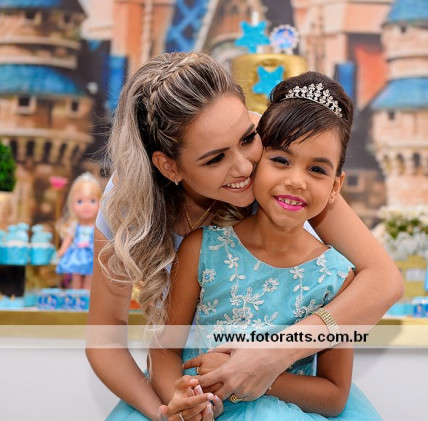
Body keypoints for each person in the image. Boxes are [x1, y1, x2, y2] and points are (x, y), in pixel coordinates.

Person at [87, 52, 402, 421]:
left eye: (248, 137)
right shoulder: (130, 206)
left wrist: (272, 355)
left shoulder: (280, 151)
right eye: (214, 159)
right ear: (169, 166)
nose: (244, 166)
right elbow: (106, 339)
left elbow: (384, 280)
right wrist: (167, 411)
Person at [150, 71, 382, 421]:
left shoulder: (337, 278)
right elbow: (164, 349)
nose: (296, 181)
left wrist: (249, 374)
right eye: (281, 161)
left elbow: (334, 395)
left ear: (336, 186)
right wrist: (182, 399)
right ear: (255, 162)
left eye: (317, 170)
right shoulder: (203, 249)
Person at [55, 172, 101, 290]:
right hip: (77, 255)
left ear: (100, 203)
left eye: (92, 201)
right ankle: (75, 296)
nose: (86, 206)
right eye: (80, 201)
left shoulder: (98, 227)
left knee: (90, 278)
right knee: (75, 276)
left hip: (91, 256)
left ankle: (86, 296)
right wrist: (62, 251)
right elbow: (68, 239)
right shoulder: (75, 226)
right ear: (72, 204)